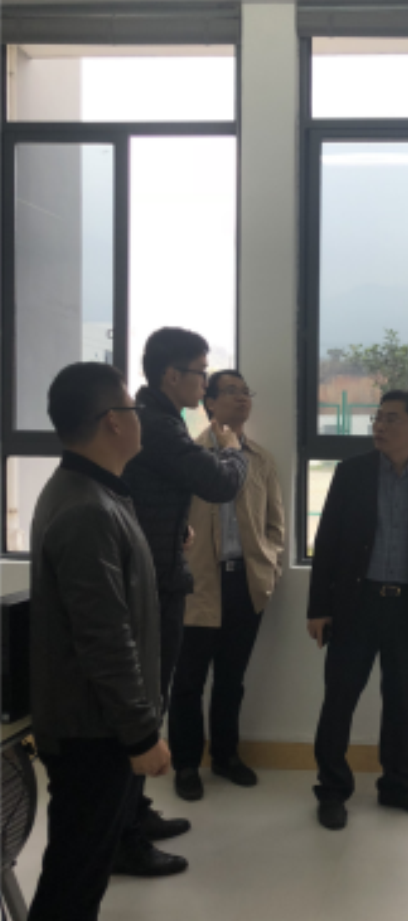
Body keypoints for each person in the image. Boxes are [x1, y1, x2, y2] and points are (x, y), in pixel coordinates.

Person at [27, 363, 170, 921]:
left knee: (85, 859)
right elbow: (104, 638)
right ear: (113, 421)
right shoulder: (86, 507)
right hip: (93, 727)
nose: (140, 417)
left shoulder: (92, 492)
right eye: (132, 408)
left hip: (92, 720)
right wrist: (141, 732)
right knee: (73, 874)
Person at [113, 328, 249, 878]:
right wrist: (233, 450)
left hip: (160, 570)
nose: (204, 381)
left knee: (153, 697)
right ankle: (124, 836)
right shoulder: (160, 426)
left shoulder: (155, 421)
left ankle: (134, 812)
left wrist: (172, 531)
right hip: (151, 585)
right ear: (172, 376)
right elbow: (218, 483)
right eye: (200, 371)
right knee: (146, 703)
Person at [308, 390, 408, 832]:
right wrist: (319, 607)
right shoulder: (351, 473)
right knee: (339, 699)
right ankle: (332, 790)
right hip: (355, 604)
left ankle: (397, 786)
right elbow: (327, 542)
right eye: (377, 417)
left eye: (392, 419)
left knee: (400, 701)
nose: (379, 425)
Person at [169, 369, 286, 802]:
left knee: (231, 679)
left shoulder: (261, 460)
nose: (242, 399)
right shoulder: (188, 457)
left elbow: (276, 524)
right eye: (231, 392)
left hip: (246, 583)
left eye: (245, 392)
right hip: (197, 584)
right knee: (188, 682)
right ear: (210, 403)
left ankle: (225, 756)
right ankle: (185, 764)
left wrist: (270, 567)